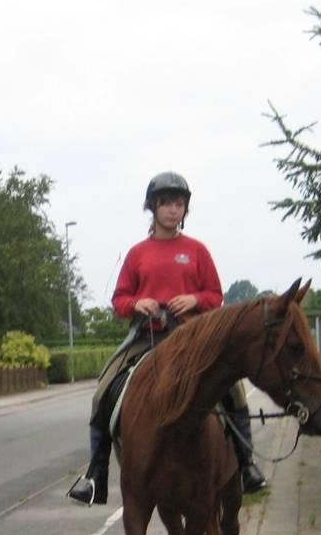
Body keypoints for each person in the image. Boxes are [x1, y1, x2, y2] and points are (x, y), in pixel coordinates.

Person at [68, 171, 267, 506]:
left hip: (193, 338)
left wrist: (194, 299)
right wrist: (137, 303)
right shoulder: (137, 254)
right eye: (166, 204)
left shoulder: (197, 251)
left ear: (185, 209)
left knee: (233, 388)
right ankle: (95, 475)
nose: (173, 210)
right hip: (148, 337)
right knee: (103, 390)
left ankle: (247, 465)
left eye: (179, 204)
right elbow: (119, 300)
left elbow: (215, 295)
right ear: (153, 208)